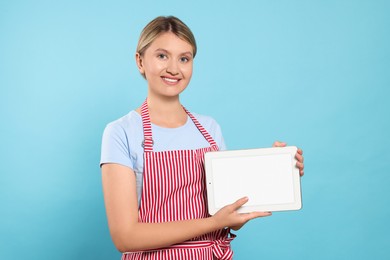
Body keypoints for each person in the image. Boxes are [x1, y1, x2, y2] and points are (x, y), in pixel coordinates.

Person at [100, 16, 304, 260]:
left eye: (184, 58)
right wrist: (212, 224)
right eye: (162, 56)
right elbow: (126, 237)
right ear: (140, 61)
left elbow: (230, 215)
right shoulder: (121, 132)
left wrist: (273, 169)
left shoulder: (209, 129)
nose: (174, 68)